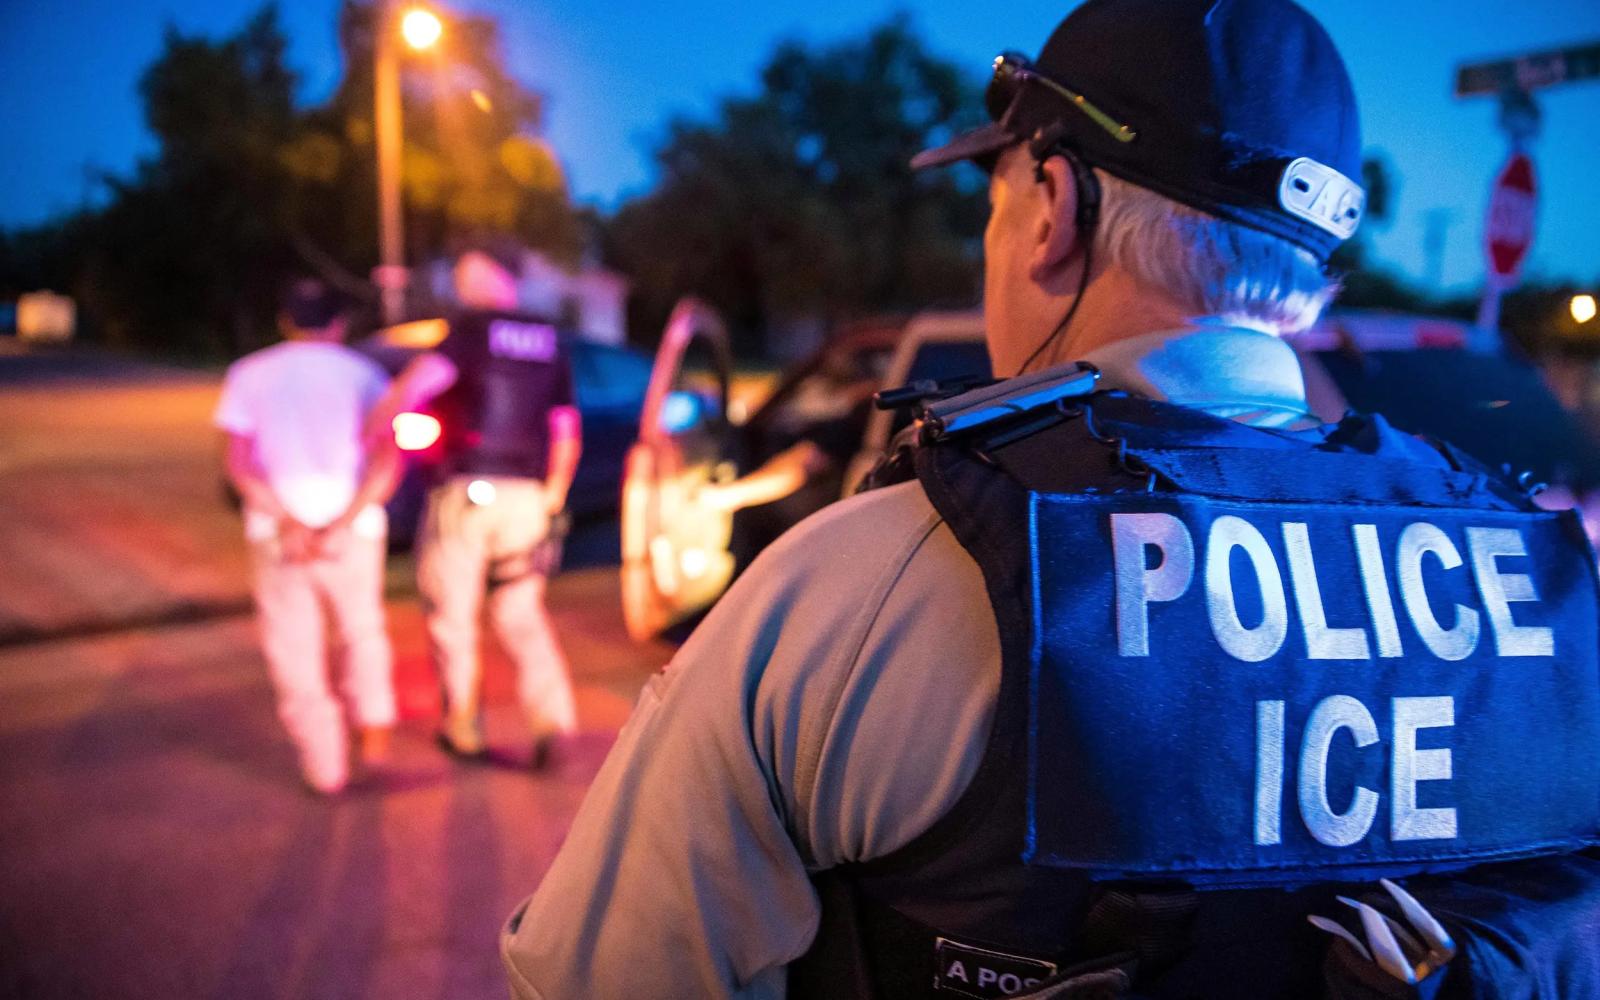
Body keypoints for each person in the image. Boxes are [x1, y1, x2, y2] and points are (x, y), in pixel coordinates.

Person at [503, 1, 1600, 997]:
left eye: (995, 197)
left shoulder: (866, 585)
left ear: (1052, 209)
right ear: (1311, 271)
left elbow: (601, 977)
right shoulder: (1539, 585)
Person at [371, 249, 582, 764]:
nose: (459, 284)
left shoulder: (470, 331)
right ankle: (551, 717)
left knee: (453, 615)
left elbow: (418, 385)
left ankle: (463, 726)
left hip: (466, 495)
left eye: (466, 274)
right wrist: (552, 498)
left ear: (495, 276)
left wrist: (376, 423)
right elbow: (565, 431)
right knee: (521, 613)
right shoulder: (549, 339)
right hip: (529, 499)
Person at [216, 279, 400, 795]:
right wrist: (340, 522)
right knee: (362, 630)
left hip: (279, 532)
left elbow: (239, 462)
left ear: (286, 321)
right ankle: (376, 736)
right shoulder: (367, 375)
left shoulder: (249, 374)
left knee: (295, 646)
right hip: (354, 528)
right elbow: (389, 459)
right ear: (338, 323)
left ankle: (326, 766)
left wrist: (290, 522)